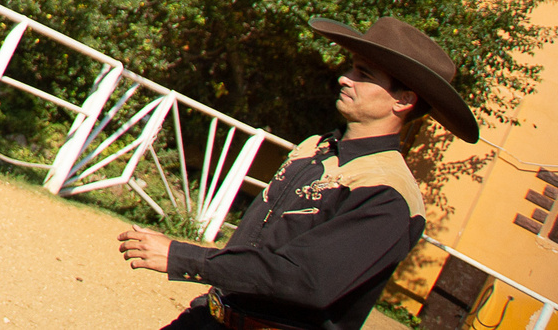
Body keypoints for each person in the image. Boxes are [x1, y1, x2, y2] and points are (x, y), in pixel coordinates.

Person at [118, 17, 478, 330]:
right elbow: (255, 246)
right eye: (351, 67)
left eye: (363, 74)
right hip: (212, 319)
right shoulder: (314, 147)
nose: (344, 78)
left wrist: (182, 258)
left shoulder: (389, 192)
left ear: (403, 100)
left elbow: (307, 278)